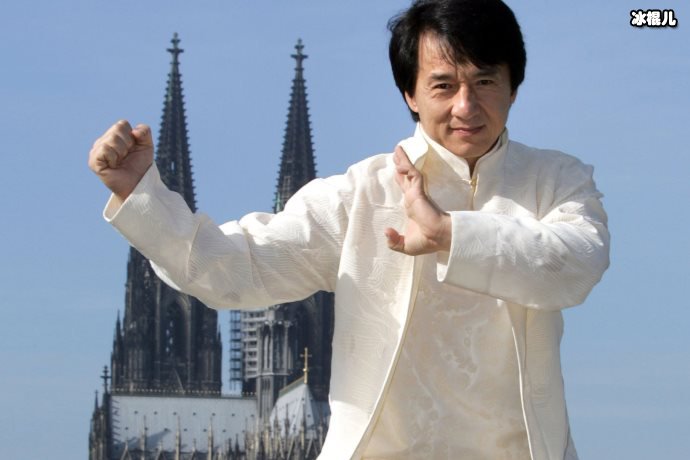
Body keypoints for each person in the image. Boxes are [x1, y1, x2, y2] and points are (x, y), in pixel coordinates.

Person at [88, 0, 610, 458]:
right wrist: (141, 195)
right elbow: (230, 268)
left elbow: (578, 262)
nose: (465, 106)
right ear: (410, 93)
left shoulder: (556, 181)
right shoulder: (359, 196)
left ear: (514, 88)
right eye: (444, 85)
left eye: (485, 81)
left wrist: (448, 233)